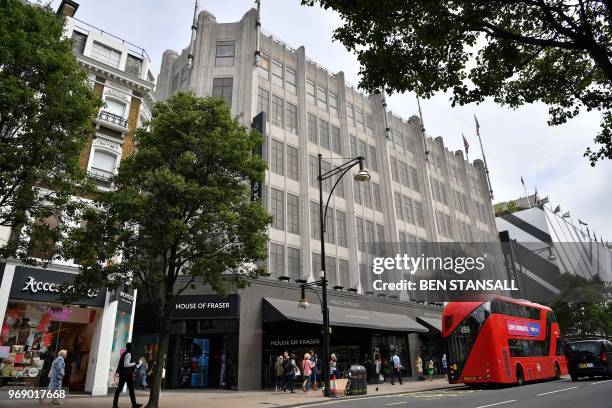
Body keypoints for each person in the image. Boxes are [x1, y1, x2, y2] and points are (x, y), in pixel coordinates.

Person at [112, 342, 142, 408]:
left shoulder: (125, 353)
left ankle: (115, 404)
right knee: (129, 389)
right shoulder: (128, 354)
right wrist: (135, 363)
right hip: (127, 374)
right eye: (133, 346)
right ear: (130, 347)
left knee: (120, 389)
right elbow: (126, 364)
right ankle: (134, 405)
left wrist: (135, 365)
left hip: (124, 373)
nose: (133, 347)